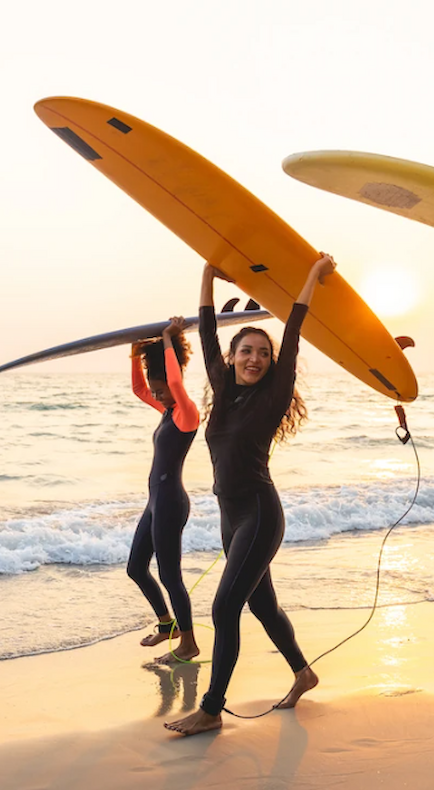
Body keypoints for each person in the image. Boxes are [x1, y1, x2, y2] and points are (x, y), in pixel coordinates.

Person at [163, 255, 333, 736]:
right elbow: (208, 329)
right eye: (247, 351)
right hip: (230, 517)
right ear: (233, 358)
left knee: (223, 609)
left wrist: (312, 276)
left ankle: (212, 709)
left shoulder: (273, 395)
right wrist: (206, 276)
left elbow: (294, 333)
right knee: (262, 606)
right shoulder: (221, 383)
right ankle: (303, 672)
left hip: (259, 514)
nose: (255, 358)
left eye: (262, 352)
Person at [128, 317, 200, 664]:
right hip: (156, 502)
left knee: (170, 574)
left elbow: (173, 379)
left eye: (162, 388)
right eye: (157, 390)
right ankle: (167, 624)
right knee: (136, 568)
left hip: (171, 503)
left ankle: (189, 643)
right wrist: (133, 355)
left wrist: (170, 339)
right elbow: (139, 390)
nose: (156, 393)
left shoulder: (187, 413)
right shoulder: (168, 410)